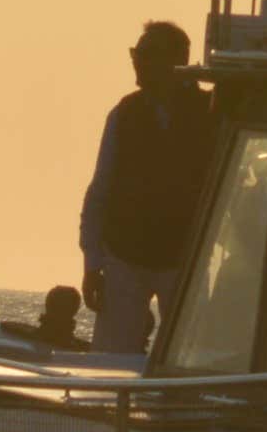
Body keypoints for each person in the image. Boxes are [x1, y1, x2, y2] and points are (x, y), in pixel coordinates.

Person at [79, 21, 214, 354]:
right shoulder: (125, 114)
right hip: (126, 256)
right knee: (111, 359)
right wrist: (92, 262)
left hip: (185, 260)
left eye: (146, 55)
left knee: (188, 358)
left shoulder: (211, 111)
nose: (136, 61)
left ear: (176, 61)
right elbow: (101, 190)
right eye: (136, 53)